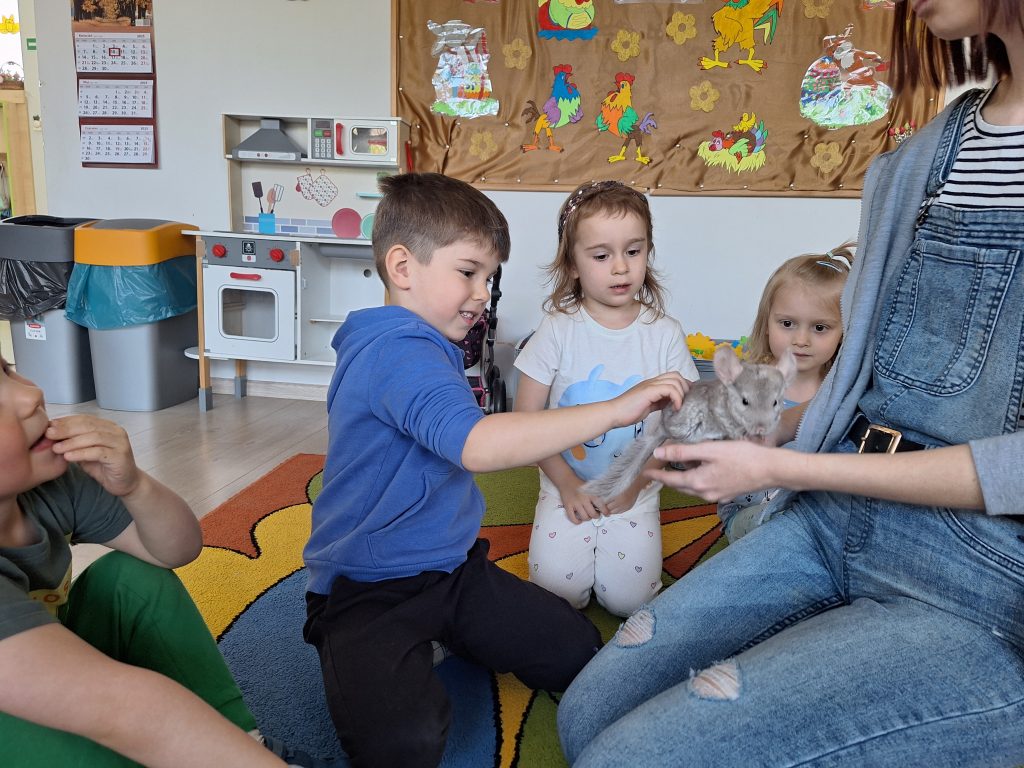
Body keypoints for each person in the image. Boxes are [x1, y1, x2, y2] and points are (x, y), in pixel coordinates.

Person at [558, 1, 1024, 765]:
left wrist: (779, 465)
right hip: (836, 512)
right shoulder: (921, 158)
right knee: (585, 717)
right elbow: (867, 380)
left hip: (983, 578)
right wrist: (774, 444)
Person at [301, 172, 688, 768]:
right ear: (402, 268)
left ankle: (447, 631)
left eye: (489, 277)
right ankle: (363, 645)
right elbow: (478, 446)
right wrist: (617, 408)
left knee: (576, 648)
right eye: (468, 272)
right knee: (403, 746)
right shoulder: (395, 351)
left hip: (450, 570)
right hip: (368, 587)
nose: (483, 293)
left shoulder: (429, 342)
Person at [0, 356, 309, 768]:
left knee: (129, 577)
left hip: (41, 665)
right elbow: (121, 707)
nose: (30, 395)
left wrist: (134, 486)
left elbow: (175, 550)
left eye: (6, 370)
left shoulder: (51, 486)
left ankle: (247, 737)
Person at [513, 180, 699, 617]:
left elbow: (677, 426)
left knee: (630, 601)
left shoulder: (664, 334)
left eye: (633, 251)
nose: (620, 267)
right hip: (565, 483)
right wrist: (566, 484)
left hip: (636, 487)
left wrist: (637, 484)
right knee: (556, 597)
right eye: (601, 256)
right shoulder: (557, 329)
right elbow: (525, 420)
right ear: (572, 263)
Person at [718, 242, 854, 541]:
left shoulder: (842, 393)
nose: (801, 339)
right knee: (781, 524)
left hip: (815, 509)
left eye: (820, 328)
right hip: (749, 512)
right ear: (767, 323)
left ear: (844, 332)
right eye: (788, 323)